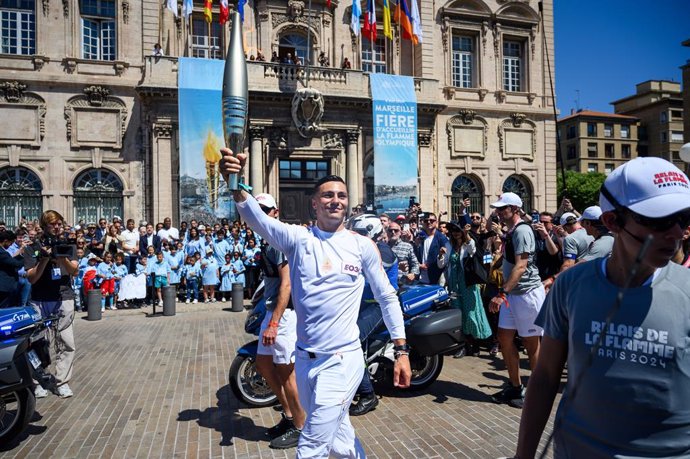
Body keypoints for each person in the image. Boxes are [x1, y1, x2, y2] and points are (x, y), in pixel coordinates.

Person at [220, 149, 411, 458]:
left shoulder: (362, 246)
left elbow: (388, 298)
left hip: (341, 360)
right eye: (328, 195)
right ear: (314, 203)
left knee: (311, 447)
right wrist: (235, 181)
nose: (336, 200)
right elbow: (255, 217)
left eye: (342, 195)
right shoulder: (298, 239)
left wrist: (401, 351)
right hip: (305, 361)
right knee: (339, 439)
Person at [515, 156, 690, 459]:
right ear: (613, 222)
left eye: (684, 219)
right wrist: (524, 454)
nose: (677, 233)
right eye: (659, 220)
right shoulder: (570, 285)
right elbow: (544, 376)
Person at [251, 193, 306, 450]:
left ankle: (301, 427)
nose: (260, 213)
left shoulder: (276, 242)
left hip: (282, 316)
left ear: (275, 212)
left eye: (265, 209)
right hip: (272, 312)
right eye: (257, 209)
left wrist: (274, 322)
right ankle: (288, 415)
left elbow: (287, 284)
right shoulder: (266, 240)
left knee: (287, 374)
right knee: (263, 363)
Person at [488, 192, 545, 408]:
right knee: (504, 338)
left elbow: (521, 267)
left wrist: (502, 293)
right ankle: (515, 386)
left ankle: (539, 391)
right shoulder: (511, 231)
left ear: (515, 209)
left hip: (527, 294)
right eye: (499, 209)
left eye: (503, 208)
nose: (499, 212)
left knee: (532, 344)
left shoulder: (522, 231)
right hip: (514, 294)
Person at [346, 213, 399, 417]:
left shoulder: (382, 250)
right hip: (360, 304)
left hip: (378, 305)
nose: (354, 235)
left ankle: (368, 394)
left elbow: (371, 268)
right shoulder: (357, 247)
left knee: (353, 339)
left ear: (371, 233)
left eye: (359, 232)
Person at [24, 210, 79, 399]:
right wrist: (45, 259)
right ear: (44, 226)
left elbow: (74, 271)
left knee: (66, 341)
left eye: (59, 224)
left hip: (63, 297)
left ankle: (62, 381)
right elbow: (31, 278)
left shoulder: (68, 245)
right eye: (52, 224)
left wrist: (61, 256)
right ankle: (40, 380)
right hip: (40, 298)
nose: (56, 227)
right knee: (40, 342)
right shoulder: (34, 246)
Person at [441, 223, 492, 357]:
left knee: (470, 314)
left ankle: (475, 344)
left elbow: (472, 250)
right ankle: (463, 346)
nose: (455, 233)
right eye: (452, 231)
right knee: (459, 314)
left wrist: (466, 233)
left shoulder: (468, 243)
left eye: (458, 230)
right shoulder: (448, 245)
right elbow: (441, 264)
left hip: (468, 283)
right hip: (454, 284)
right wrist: (440, 255)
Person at [418, 212, 451, 285]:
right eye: (426, 221)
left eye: (431, 220)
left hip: (436, 279)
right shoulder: (420, 237)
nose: (429, 222)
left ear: (436, 222)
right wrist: (419, 265)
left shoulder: (442, 239)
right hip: (421, 279)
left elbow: (446, 260)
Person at [386, 220, 420, 285]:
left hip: (402, 284)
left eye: (396, 230)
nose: (393, 232)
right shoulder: (383, 247)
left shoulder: (407, 246)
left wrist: (413, 274)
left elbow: (415, 264)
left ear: (400, 232)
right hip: (386, 284)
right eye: (390, 230)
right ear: (387, 232)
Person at [0, 230, 27, 308]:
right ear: (5, 241)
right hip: (4, 288)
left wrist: (21, 255)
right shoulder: (2, 253)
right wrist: (27, 257)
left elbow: (10, 261)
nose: (10, 245)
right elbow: (16, 264)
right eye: (11, 243)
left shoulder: (3, 252)